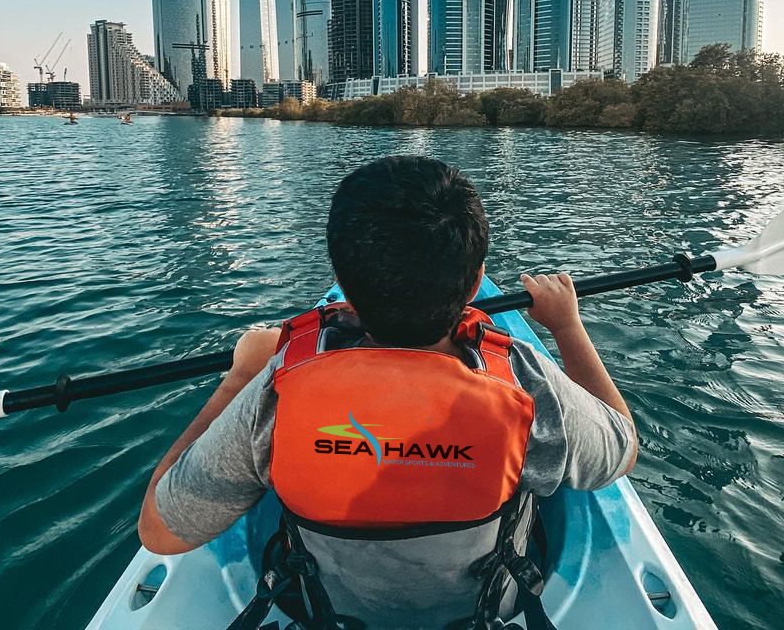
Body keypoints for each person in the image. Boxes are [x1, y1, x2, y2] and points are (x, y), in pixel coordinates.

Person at [138, 156, 637, 629]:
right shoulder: (526, 385)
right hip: (481, 613)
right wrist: (568, 325)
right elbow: (622, 447)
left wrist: (239, 376)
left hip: (325, 612)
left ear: (343, 287)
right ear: (476, 284)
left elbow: (159, 532)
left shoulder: (275, 392)